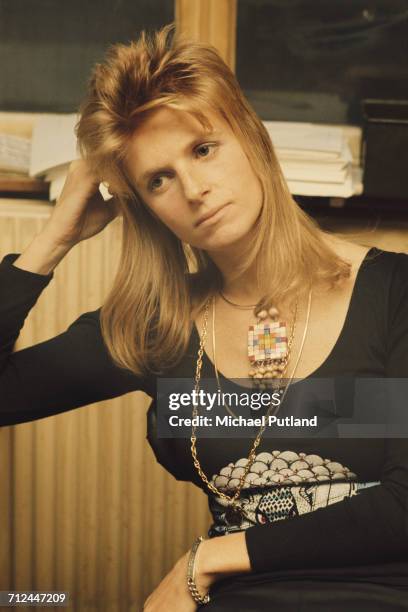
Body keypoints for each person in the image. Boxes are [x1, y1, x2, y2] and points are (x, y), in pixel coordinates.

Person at [1, 23, 407, 612]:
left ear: (251, 136)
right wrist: (51, 241)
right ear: (144, 205)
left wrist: (208, 558)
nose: (193, 189)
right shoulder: (156, 329)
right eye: (158, 179)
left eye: (203, 149)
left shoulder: (395, 291)